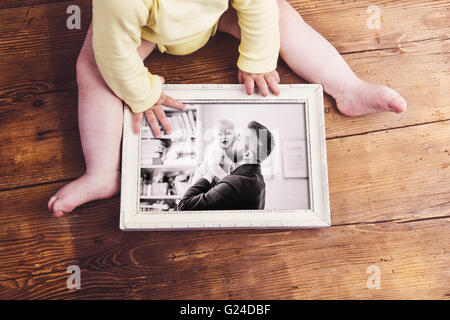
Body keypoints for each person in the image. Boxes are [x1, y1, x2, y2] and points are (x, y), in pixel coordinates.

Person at [48, 0, 407, 217]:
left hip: (218, 13)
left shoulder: (242, 176)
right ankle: (102, 172)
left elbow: (258, 7)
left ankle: (347, 87)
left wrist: (257, 57)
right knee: (93, 67)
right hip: (148, 29)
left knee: (281, 16)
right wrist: (142, 93)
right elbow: (113, 53)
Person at [178, 121, 273, 210]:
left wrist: (210, 173)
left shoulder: (234, 183)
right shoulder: (258, 181)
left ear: (247, 154)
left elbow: (183, 206)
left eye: (239, 137)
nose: (233, 138)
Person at [191, 119, 236, 184]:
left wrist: (232, 171)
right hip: (202, 177)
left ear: (233, 135)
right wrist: (227, 178)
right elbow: (213, 166)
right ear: (214, 136)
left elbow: (229, 164)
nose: (224, 137)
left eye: (228, 133)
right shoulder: (215, 148)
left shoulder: (229, 148)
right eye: (220, 134)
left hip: (215, 179)